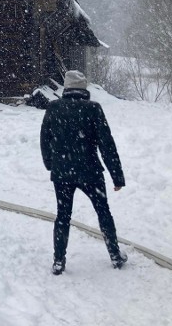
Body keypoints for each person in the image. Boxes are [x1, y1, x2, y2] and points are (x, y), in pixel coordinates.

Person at [40, 70, 127, 275]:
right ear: (84, 88)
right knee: (103, 212)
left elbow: (45, 139)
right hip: (90, 171)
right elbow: (107, 144)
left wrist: (51, 164)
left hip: (62, 173)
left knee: (63, 215)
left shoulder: (54, 108)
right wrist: (117, 176)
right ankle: (115, 255)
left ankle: (58, 261)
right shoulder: (93, 109)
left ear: (66, 87)